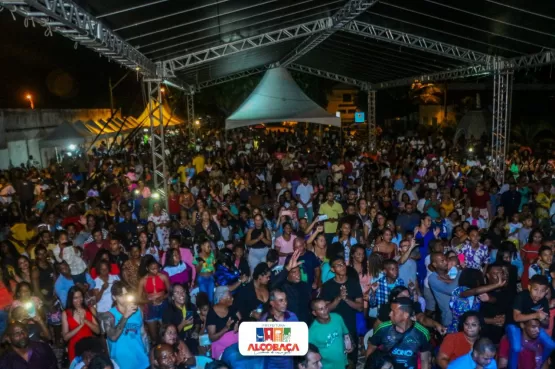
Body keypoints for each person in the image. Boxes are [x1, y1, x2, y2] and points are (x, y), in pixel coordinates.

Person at [366, 297, 432, 369]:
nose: (390, 314)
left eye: (393, 311)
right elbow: (371, 349)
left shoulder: (422, 333)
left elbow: (424, 360)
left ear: (405, 315)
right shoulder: (383, 329)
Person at [320, 256, 362, 366]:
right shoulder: (328, 286)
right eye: (338, 265)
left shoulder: (353, 283)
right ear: (333, 269)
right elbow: (326, 309)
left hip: (350, 326)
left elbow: (360, 306)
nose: (342, 267)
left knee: (351, 360)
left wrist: (346, 299)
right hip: (333, 328)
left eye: (343, 264)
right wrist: (338, 298)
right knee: (335, 359)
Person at [105, 281, 149, 369]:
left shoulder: (138, 310)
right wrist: (125, 315)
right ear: (114, 297)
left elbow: (143, 333)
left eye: (126, 294)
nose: (125, 298)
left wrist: (147, 351)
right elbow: (113, 337)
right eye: (121, 295)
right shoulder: (109, 315)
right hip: (121, 362)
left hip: (140, 358)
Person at [271, 249, 312, 324]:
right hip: (289, 324)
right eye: (293, 272)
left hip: (305, 324)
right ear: (287, 275)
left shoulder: (304, 285)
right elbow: (273, 285)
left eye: (298, 271)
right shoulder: (282, 287)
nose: (298, 274)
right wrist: (288, 268)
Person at [260, 289, 298, 369]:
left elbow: (297, 339)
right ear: (272, 303)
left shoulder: (292, 317)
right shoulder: (264, 320)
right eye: (281, 300)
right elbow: (262, 345)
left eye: (285, 300)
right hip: (270, 363)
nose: (285, 303)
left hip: (288, 361)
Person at [308, 299, 352, 369]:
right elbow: (309, 353)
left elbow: (346, 333)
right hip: (326, 366)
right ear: (314, 313)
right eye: (321, 309)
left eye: (325, 307)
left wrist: (350, 343)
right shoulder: (312, 331)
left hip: (342, 363)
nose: (325, 311)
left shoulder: (337, 318)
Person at [62, 286, 100, 362]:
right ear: (71, 299)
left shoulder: (90, 309)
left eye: (80, 297)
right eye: (75, 298)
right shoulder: (66, 313)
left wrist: (85, 320)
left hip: (89, 347)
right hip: (74, 347)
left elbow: (98, 331)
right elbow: (65, 337)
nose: (79, 300)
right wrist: (80, 326)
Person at [206, 286, 240, 359]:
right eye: (229, 297)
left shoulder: (232, 308)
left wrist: (239, 327)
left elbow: (242, 321)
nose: (232, 298)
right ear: (221, 299)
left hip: (238, 344)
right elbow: (212, 338)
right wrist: (225, 328)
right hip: (223, 349)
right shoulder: (212, 314)